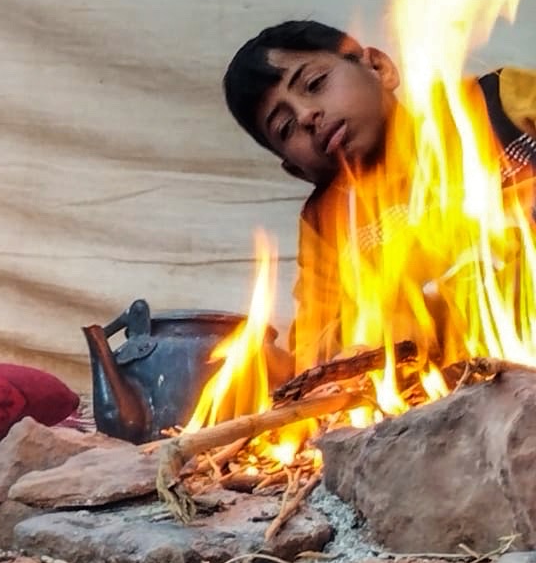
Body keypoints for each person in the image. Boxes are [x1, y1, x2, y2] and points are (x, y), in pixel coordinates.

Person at [222, 18, 536, 351]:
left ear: (378, 67)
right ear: (297, 170)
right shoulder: (327, 225)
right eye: (285, 128)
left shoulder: (494, 104)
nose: (305, 116)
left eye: (314, 84)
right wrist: (382, 326)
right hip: (467, 376)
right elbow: (313, 348)